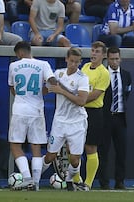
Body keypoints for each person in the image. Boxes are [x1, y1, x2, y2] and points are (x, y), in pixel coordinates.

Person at [8, 41, 57, 191]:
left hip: (19, 110)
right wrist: (40, 93)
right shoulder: (43, 64)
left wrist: (23, 98)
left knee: (16, 145)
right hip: (37, 110)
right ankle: (35, 182)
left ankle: (27, 178)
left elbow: (12, 87)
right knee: (36, 147)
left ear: (20, 53)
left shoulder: (13, 66)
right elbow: (52, 83)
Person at [41, 47, 90, 191]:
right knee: (50, 156)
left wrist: (62, 91)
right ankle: (33, 179)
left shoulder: (82, 78)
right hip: (60, 122)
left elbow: (81, 101)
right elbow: (47, 89)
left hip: (77, 123)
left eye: (76, 62)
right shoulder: (58, 74)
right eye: (71, 61)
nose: (73, 64)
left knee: (75, 160)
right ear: (66, 59)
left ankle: (69, 180)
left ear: (80, 62)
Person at [71, 41, 110, 190]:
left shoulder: (104, 73)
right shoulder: (85, 67)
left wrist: (74, 98)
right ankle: (76, 179)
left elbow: (94, 95)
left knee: (90, 147)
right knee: (73, 146)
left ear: (103, 55)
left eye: (97, 51)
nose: (93, 53)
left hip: (94, 113)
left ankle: (88, 183)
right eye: (93, 50)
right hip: (79, 111)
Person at [98, 46, 132, 190]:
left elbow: (127, 93)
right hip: (106, 117)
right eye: (112, 59)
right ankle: (104, 182)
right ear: (107, 59)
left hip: (120, 117)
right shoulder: (103, 74)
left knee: (121, 151)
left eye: (117, 59)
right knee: (103, 151)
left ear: (120, 59)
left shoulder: (126, 75)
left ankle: (120, 181)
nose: (114, 62)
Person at [6, 0, 80, 25]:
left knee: (76, 6)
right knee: (11, 5)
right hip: (27, 5)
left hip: (52, 5)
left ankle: (72, 32)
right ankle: (17, 30)